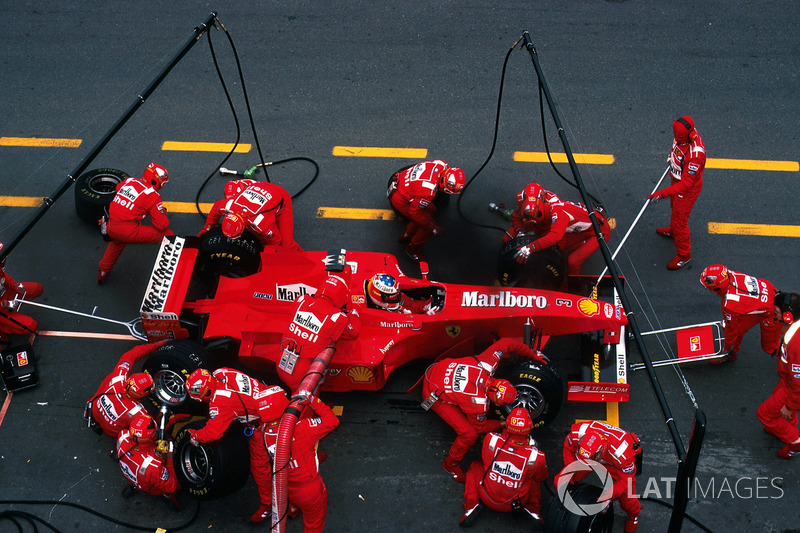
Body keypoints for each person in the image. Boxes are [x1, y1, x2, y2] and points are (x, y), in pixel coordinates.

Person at [421, 338, 548, 483]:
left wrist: (531, 353)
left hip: (436, 367)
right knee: (469, 434)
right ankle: (450, 464)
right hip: (433, 394)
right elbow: (480, 427)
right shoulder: (478, 403)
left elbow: (507, 343)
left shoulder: (486, 363)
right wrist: (504, 424)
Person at [184, 367, 289, 523]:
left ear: (205, 392)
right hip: (277, 400)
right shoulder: (222, 372)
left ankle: (269, 505)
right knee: (299, 442)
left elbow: (213, 433)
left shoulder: (219, 402)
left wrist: (196, 435)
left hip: (266, 422)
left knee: (260, 467)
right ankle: (310, 458)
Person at [263, 393, 340, 532]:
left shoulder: (263, 431)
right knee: (314, 523)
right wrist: (312, 400)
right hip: (309, 490)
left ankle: (292, 510)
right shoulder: (302, 428)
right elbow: (333, 421)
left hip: (284, 484)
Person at [459, 408, 548, 528]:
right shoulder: (536, 455)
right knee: (534, 477)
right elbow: (543, 477)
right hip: (517, 503)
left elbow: (485, 461)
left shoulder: (491, 439)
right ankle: (533, 508)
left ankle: (471, 504)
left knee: (475, 465)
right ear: (530, 427)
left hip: (487, 497)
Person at [278, 272, 360, 391]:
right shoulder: (338, 318)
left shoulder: (300, 300)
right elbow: (354, 332)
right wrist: (353, 311)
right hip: (304, 370)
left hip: (281, 360)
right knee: (306, 400)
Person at [556, 420, 642, 533]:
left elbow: (627, 479)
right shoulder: (578, 433)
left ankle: (633, 516)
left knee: (628, 501)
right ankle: (568, 496)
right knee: (561, 479)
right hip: (592, 459)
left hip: (616, 467)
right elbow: (568, 446)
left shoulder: (622, 453)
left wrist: (610, 494)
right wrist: (570, 468)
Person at [510, 183, 611, 276]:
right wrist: (520, 232)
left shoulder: (557, 212)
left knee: (572, 261)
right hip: (573, 224)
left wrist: (530, 247)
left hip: (599, 230)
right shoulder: (521, 199)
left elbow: (554, 236)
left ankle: (574, 286)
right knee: (510, 236)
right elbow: (516, 217)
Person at [97, 162, 174, 284]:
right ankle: (172, 269)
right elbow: (162, 224)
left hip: (110, 225)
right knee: (168, 235)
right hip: (128, 230)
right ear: (157, 182)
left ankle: (103, 272)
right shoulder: (153, 196)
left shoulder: (129, 181)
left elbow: (118, 188)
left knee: (117, 243)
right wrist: (162, 211)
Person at [647, 116, 706, 270]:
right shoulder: (682, 137)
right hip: (676, 181)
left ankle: (684, 255)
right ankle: (673, 232)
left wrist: (662, 193)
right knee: (674, 208)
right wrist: (672, 159)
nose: (676, 139)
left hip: (686, 190)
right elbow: (677, 148)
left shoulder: (695, 156)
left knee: (681, 222)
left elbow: (687, 184)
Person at [700, 264, 782, 364]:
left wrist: (728, 345)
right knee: (738, 330)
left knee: (769, 347)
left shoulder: (731, 304)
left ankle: (789, 357)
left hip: (772, 313)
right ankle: (730, 355)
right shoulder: (730, 274)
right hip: (764, 299)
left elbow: (731, 330)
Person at [387, 159, 465, 262]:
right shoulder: (428, 192)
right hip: (401, 198)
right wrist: (431, 227)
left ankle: (407, 235)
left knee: (431, 210)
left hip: (402, 182)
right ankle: (412, 250)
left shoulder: (441, 164)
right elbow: (414, 212)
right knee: (426, 228)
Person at [85, 341, 165, 437]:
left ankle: (87, 414)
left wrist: (154, 345)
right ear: (142, 394)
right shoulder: (138, 412)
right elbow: (154, 426)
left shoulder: (119, 376)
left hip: (93, 409)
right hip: (111, 432)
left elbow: (130, 355)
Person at [757, 292, 800, 459]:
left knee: (764, 414)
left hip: (792, 386)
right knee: (778, 407)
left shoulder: (797, 344)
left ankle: (795, 442)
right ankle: (788, 426)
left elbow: (799, 383)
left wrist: (789, 407)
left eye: (776, 312)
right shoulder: (794, 328)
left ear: (788, 315)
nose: (773, 314)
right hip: (787, 381)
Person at [115, 412, 181, 510]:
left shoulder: (122, 436)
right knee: (176, 485)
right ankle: (169, 496)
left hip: (133, 475)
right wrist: (170, 454)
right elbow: (172, 486)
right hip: (150, 486)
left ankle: (135, 486)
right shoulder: (153, 466)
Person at [216, 180, 302, 250]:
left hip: (280, 196)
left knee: (286, 245)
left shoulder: (260, 223)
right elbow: (214, 211)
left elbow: (276, 240)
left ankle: (304, 259)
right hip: (259, 188)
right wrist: (206, 228)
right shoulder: (227, 205)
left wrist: (269, 252)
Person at [0, 241, 44, 342]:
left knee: (37, 288)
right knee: (31, 326)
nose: (4, 258)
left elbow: (3, 275)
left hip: (5, 294)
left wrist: (14, 284)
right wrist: (6, 303)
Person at [366, 273, 441, 314]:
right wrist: (426, 317)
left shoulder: (397, 297)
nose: (398, 298)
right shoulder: (376, 314)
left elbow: (413, 306)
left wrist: (426, 305)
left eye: (396, 295)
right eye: (393, 297)